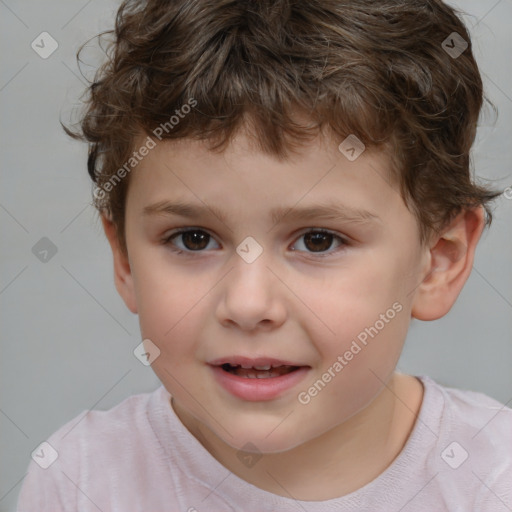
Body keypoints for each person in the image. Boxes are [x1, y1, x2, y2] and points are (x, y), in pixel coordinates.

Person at [17, 0, 512, 510]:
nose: (248, 304)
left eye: (318, 240)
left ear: (439, 260)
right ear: (124, 259)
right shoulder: (80, 481)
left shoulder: (495, 481)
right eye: (194, 239)